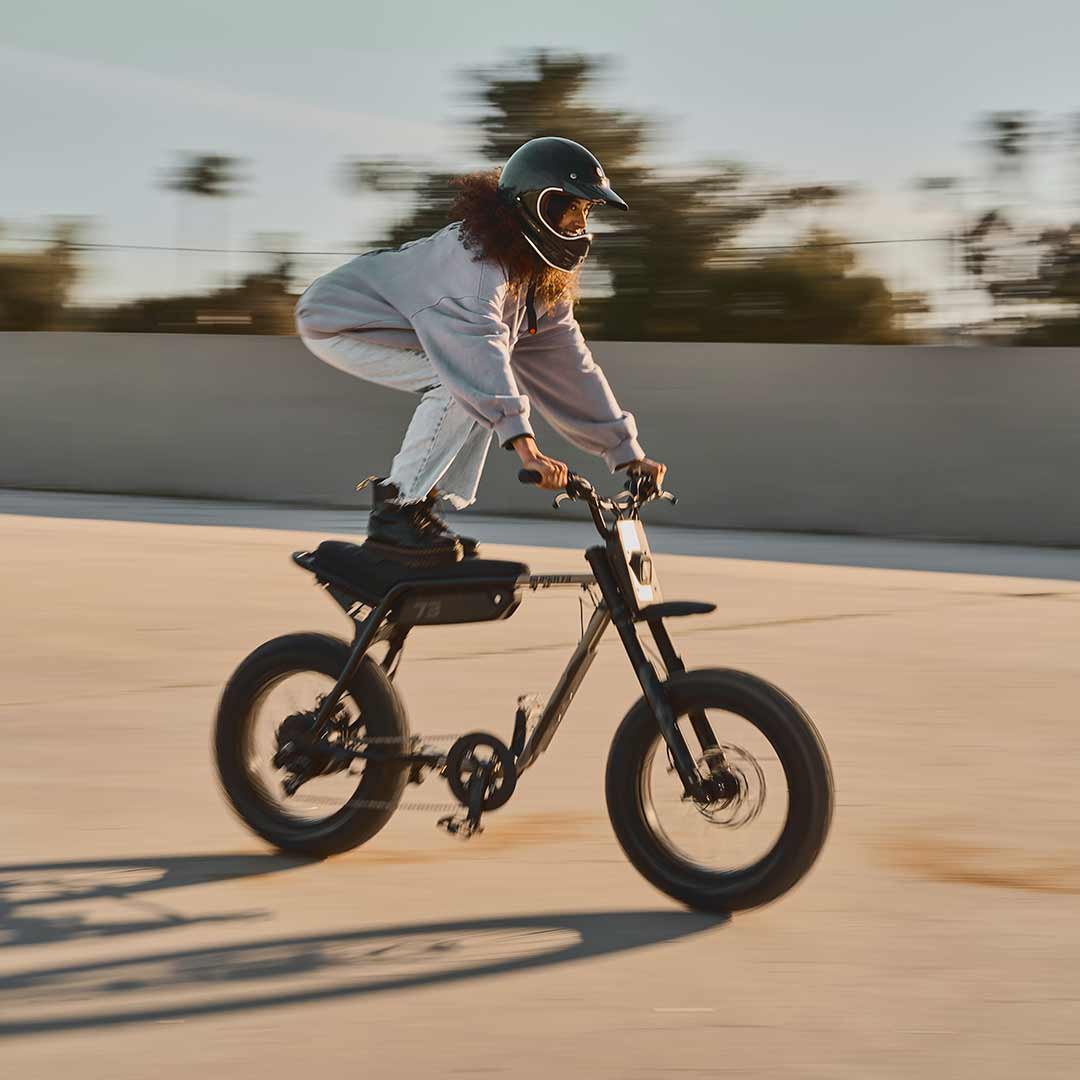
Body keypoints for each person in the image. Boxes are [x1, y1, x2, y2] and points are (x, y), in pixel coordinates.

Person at [295, 136, 666, 561]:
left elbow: (570, 368)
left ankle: (418, 506)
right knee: (460, 382)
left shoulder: (537, 282)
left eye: (585, 212)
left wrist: (625, 453)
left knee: (473, 385)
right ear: (535, 205)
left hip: (407, 326)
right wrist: (527, 450)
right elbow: (477, 356)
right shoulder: (474, 264)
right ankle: (397, 513)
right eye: (570, 208)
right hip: (337, 319)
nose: (577, 224)